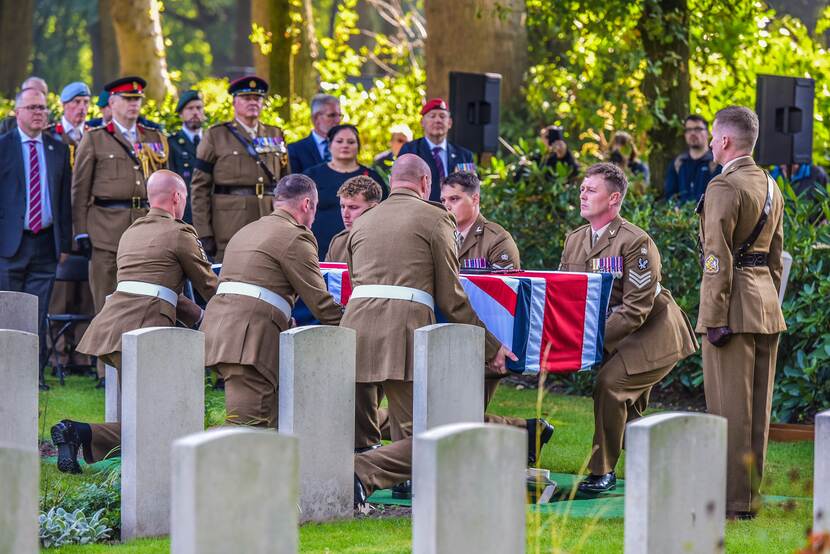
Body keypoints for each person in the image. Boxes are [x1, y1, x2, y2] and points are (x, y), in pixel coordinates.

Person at [342, 154, 516, 447]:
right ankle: (402, 482)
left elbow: (353, 278)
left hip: (354, 326)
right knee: (412, 427)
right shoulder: (436, 218)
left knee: (357, 425)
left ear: (391, 182)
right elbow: (451, 297)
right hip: (403, 329)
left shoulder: (363, 220)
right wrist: (491, 345)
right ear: (425, 183)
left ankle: (360, 477)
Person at [50, 170, 217, 472]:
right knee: (159, 421)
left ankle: (81, 436)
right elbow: (210, 287)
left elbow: (156, 287)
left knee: (143, 413)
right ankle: (78, 431)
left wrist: (199, 316)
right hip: (149, 331)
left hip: (113, 328)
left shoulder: (131, 232)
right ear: (178, 197)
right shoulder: (180, 233)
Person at [557, 162, 697, 494]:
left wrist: (587, 342)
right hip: (615, 334)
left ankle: (601, 471)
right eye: (582, 188)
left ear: (614, 197)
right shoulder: (575, 240)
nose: (583, 194)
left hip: (654, 332)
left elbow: (636, 309)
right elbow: (565, 295)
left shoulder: (636, 242)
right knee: (630, 409)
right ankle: (671, 469)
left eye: (592, 190)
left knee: (610, 386)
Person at [697, 106, 786, 519]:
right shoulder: (771, 184)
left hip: (732, 308)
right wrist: (768, 302)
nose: (711, 143)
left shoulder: (723, 186)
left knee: (729, 409)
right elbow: (774, 260)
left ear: (726, 141)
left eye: (714, 136)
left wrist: (713, 316)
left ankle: (733, 502)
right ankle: (748, 497)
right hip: (765, 306)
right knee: (757, 411)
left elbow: (716, 257)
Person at [201, 174, 343, 427]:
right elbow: (321, 304)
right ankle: (199, 465)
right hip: (249, 338)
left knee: (268, 420)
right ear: (308, 204)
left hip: (222, 329)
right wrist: (356, 327)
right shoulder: (295, 236)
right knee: (249, 427)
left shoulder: (248, 229)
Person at [72, 76, 170, 382]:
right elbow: (79, 190)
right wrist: (81, 232)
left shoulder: (155, 137)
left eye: (137, 100)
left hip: (147, 228)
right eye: (127, 100)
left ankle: (143, 365)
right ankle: (106, 371)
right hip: (106, 228)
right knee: (106, 300)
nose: (133, 105)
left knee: (147, 300)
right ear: (111, 104)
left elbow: (168, 180)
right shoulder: (95, 138)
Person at [0, 87, 72, 389]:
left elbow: (64, 202)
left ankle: (35, 376)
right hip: (9, 244)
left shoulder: (57, 149)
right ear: (18, 112)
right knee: (10, 311)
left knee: (39, 312)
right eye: (32, 107)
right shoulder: (3, 147)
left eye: (43, 108)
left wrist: (65, 245)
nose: (39, 113)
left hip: (45, 243)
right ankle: (7, 374)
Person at [190, 76, 289, 262]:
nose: (253, 102)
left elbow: (286, 183)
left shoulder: (275, 134)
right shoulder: (216, 135)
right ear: (234, 102)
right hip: (230, 223)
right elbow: (199, 188)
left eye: (257, 98)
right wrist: (203, 232)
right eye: (246, 98)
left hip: (269, 217)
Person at [303, 124, 385, 260]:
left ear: (358, 146)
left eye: (351, 142)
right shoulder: (312, 175)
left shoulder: (372, 177)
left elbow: (383, 214)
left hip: (361, 246)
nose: (345, 145)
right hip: (318, 245)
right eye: (339, 141)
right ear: (329, 145)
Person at [398, 98, 475, 202]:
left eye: (442, 116)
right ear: (422, 122)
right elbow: (401, 187)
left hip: (454, 215)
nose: (438, 120)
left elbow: (471, 189)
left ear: (450, 123)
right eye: (432, 116)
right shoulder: (410, 150)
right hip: (421, 212)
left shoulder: (464, 155)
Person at [168, 90, 206, 224]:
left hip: (208, 209)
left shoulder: (211, 141)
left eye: (199, 108)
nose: (195, 112)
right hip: (183, 210)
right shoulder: (171, 143)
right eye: (190, 108)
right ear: (181, 114)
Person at [663, 115, 720, 205]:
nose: (692, 133)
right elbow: (670, 195)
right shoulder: (678, 163)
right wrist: (676, 209)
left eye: (697, 129)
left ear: (708, 133)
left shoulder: (717, 162)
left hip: (708, 217)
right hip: (681, 217)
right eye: (688, 130)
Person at [325, 175, 383, 263]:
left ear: (373, 208)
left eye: (353, 207)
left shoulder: (388, 240)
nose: (345, 214)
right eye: (342, 206)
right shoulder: (338, 243)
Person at [287, 94, 343, 174]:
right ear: (315, 118)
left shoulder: (346, 146)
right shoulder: (295, 150)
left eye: (339, 115)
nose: (338, 120)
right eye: (332, 115)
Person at [47, 82, 92, 162]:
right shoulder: (50, 134)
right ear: (64, 105)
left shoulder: (94, 134)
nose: (82, 107)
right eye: (77, 102)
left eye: (86, 102)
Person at [87, 90, 162, 131]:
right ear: (101, 109)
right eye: (109, 106)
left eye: (136, 99)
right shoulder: (89, 129)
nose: (133, 104)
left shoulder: (151, 129)